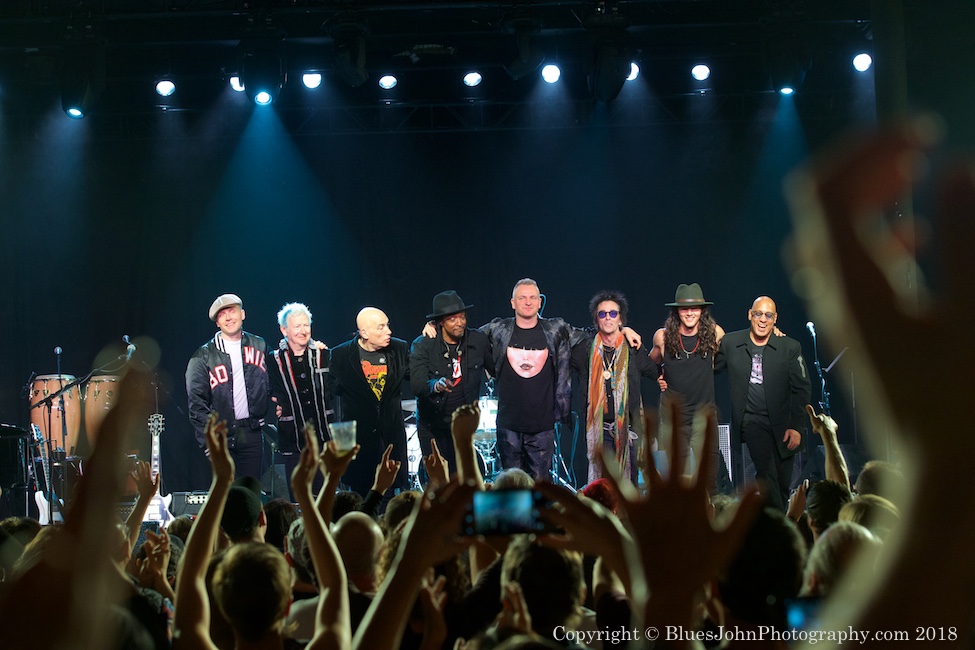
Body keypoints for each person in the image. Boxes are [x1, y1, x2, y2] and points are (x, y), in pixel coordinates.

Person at [714, 296, 811, 511]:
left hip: (783, 424)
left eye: (768, 315)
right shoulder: (732, 343)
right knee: (766, 474)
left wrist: (796, 426)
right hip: (752, 421)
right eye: (758, 314)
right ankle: (783, 529)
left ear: (775, 319)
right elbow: (708, 368)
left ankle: (776, 523)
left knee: (782, 483)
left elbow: (802, 389)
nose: (762, 320)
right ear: (750, 314)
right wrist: (668, 373)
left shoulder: (789, 347)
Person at [571, 290, 658, 483]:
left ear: (620, 319)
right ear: (596, 319)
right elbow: (564, 340)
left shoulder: (633, 350)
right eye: (602, 314)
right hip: (599, 431)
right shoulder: (584, 350)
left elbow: (657, 373)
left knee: (629, 487)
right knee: (602, 488)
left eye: (613, 313)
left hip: (628, 432)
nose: (608, 318)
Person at [651, 283, 726, 490]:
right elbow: (649, 364)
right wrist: (658, 377)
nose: (690, 313)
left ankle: (709, 519)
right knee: (678, 481)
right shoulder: (663, 337)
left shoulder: (715, 334)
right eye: (685, 308)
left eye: (695, 308)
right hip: (674, 419)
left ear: (702, 310)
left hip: (704, 417)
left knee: (709, 479)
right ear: (677, 311)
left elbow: (734, 352)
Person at [186, 293, 269, 481]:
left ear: (243, 314)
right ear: (217, 323)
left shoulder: (260, 345)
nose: (229, 318)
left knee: (250, 493)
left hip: (252, 433)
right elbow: (196, 405)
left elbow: (276, 377)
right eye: (222, 315)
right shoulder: (202, 357)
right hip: (220, 437)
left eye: (232, 312)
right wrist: (209, 442)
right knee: (226, 497)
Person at [329, 307, 410, 497]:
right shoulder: (340, 355)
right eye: (381, 327)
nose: (388, 331)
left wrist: (429, 336)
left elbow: (419, 377)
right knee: (359, 499)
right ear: (364, 333)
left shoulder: (399, 349)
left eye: (387, 325)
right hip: (358, 443)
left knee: (390, 500)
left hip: (390, 438)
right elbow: (328, 393)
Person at [410, 290, 494, 474]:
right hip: (433, 425)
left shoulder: (477, 340)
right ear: (440, 322)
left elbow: (495, 368)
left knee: (463, 480)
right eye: (452, 319)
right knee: (440, 482)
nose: (460, 323)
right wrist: (435, 385)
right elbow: (417, 385)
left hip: (463, 424)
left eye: (462, 317)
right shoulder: (424, 345)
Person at [267, 302, 332, 496]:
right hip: (293, 439)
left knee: (324, 495)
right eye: (297, 326)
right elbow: (268, 391)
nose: (303, 331)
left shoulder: (323, 355)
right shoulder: (273, 360)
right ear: (284, 330)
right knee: (299, 496)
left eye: (306, 325)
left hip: (323, 437)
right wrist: (277, 405)